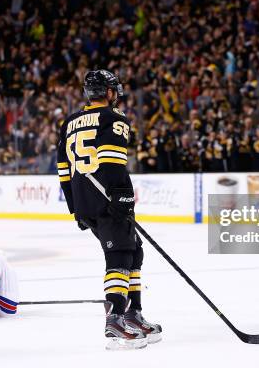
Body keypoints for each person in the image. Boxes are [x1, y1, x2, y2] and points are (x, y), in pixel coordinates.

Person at [57, 69, 161, 350]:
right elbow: (113, 163)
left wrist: (75, 208)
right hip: (108, 198)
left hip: (86, 201)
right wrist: (124, 197)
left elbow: (63, 170)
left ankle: (133, 312)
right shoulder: (115, 119)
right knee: (119, 255)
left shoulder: (69, 122)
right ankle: (114, 321)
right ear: (110, 92)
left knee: (134, 250)